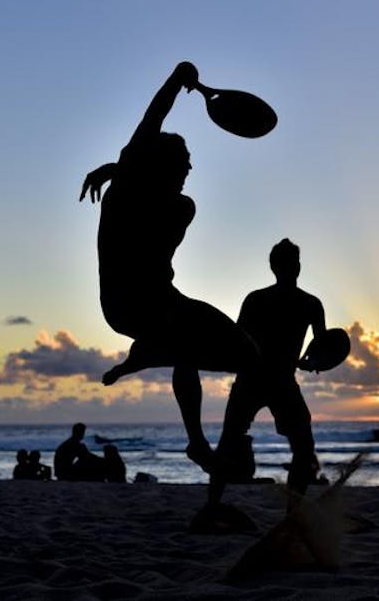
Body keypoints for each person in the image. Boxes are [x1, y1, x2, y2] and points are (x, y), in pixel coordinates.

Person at [79, 61, 259, 469]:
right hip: (142, 305)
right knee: (224, 351)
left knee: (217, 352)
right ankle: (153, 361)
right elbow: (152, 118)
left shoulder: (136, 191)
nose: (190, 169)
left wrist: (119, 167)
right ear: (163, 168)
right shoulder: (159, 202)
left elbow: (151, 125)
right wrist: (178, 79)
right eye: (184, 164)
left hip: (145, 305)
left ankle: (155, 364)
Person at [207, 239, 327, 512]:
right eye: (289, 262)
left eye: (292, 262)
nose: (291, 267)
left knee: (231, 442)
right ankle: (290, 512)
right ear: (286, 266)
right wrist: (311, 362)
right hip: (270, 380)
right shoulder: (306, 303)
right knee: (301, 448)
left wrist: (311, 361)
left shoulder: (261, 300)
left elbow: (238, 339)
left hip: (263, 379)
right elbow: (322, 352)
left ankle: (215, 505)